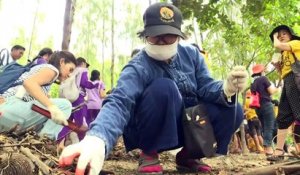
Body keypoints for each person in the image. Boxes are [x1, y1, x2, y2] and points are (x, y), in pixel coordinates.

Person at [59, 2, 248, 175]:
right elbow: (120, 100)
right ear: (145, 35)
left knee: (234, 107)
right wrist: (97, 138)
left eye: (169, 36)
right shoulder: (138, 66)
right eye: (156, 36)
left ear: (179, 36)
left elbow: (206, 87)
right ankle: (149, 152)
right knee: (164, 88)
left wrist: (226, 87)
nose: (162, 42)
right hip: (148, 126)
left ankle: (189, 154)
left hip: (187, 124)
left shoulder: (192, 55)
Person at [0, 51, 77, 139]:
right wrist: (52, 107)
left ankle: (35, 139)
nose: (70, 75)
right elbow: (29, 83)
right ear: (62, 62)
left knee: (47, 118)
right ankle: (46, 141)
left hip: (7, 111)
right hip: (9, 106)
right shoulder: (52, 70)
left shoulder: (39, 68)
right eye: (70, 69)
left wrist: (47, 101)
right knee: (65, 105)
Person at [267, 25, 300, 161]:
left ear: (290, 35)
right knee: (283, 117)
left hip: (297, 81)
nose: (281, 36)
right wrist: (278, 68)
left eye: (284, 34)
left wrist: (274, 36)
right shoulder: (283, 53)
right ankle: (279, 151)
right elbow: (283, 74)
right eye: (279, 35)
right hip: (288, 82)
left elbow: (278, 45)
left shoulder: (296, 43)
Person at [58, 57, 99, 143]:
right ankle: (79, 141)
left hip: (69, 97)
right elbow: (84, 83)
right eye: (86, 65)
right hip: (78, 97)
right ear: (83, 63)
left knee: (68, 120)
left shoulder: (72, 70)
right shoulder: (83, 70)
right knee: (78, 122)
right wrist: (95, 84)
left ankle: (60, 139)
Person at [250, 64, 278, 156]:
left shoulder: (253, 83)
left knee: (265, 127)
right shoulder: (263, 79)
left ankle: (269, 147)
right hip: (266, 105)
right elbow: (271, 91)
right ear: (261, 71)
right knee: (269, 127)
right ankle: (268, 149)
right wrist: (277, 88)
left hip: (258, 108)